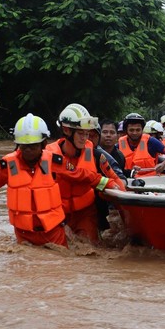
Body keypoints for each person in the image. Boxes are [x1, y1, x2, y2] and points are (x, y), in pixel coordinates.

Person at [0, 113, 121, 247]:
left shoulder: (55, 161)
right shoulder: (6, 165)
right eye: (24, 146)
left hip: (54, 233)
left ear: (43, 144)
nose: (28, 150)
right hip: (24, 235)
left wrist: (105, 183)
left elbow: (81, 175)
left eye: (33, 146)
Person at [48, 104, 126, 244]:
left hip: (85, 213)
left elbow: (114, 177)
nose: (84, 138)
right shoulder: (49, 155)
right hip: (58, 214)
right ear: (66, 130)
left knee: (90, 250)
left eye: (87, 134)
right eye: (80, 133)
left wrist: (125, 200)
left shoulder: (96, 155)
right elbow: (75, 173)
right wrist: (103, 182)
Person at [118, 112, 165, 177]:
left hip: (150, 181)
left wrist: (163, 164)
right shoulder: (119, 145)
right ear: (126, 130)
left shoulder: (150, 141)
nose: (135, 133)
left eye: (138, 130)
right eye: (131, 130)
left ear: (142, 130)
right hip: (128, 180)